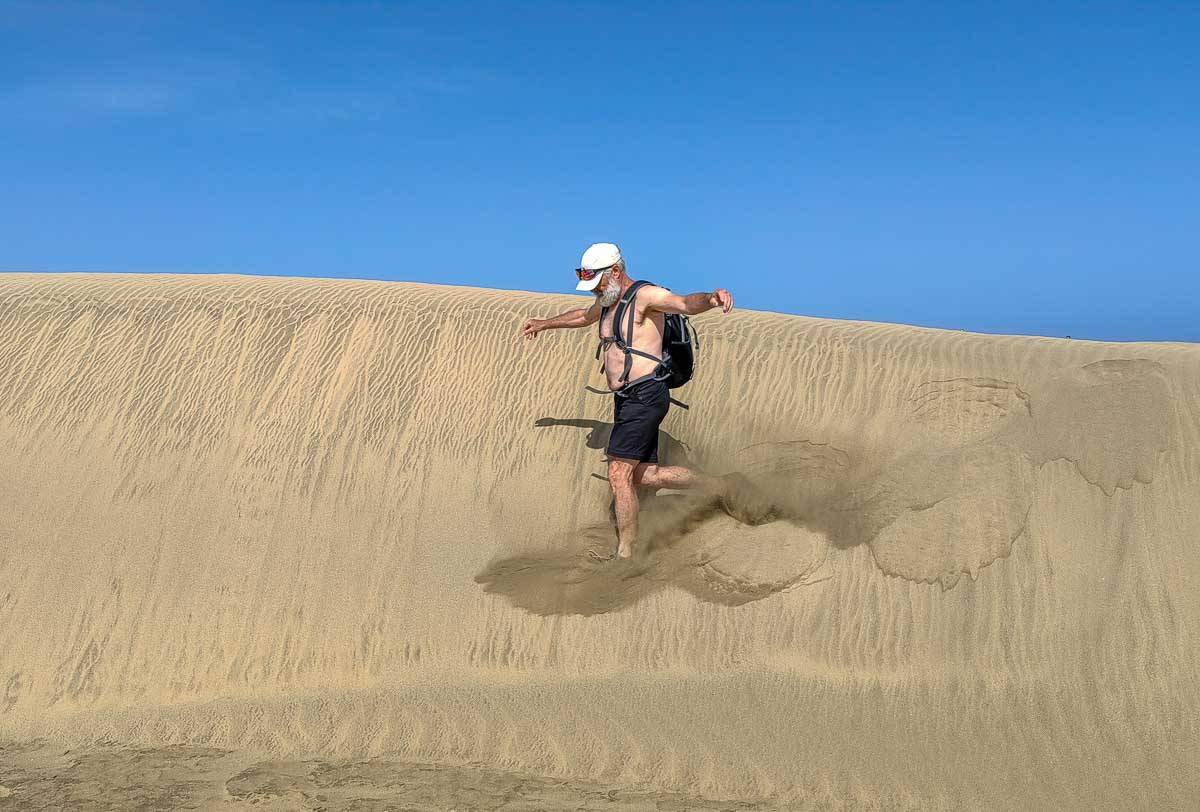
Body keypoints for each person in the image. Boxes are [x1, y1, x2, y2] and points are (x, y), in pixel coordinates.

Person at [521, 242, 772, 560]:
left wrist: (711, 299)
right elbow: (583, 317)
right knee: (645, 475)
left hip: (646, 394)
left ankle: (626, 554)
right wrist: (545, 323)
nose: (593, 290)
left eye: (597, 281)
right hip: (627, 399)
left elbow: (682, 303)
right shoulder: (607, 300)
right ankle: (723, 485)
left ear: (615, 271)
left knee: (618, 474)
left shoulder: (645, 296)